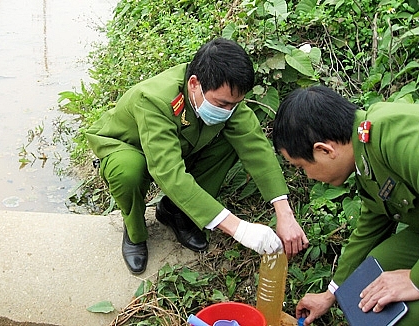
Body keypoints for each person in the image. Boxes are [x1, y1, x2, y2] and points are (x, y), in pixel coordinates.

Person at [86, 38, 308, 275]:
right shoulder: (154, 100)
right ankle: (135, 232)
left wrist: (284, 212)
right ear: (194, 83)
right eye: (222, 103)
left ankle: (176, 212)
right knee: (128, 170)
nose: (228, 111)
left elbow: (255, 145)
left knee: (231, 143)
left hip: (177, 147)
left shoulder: (225, 95)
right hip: (129, 147)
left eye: (234, 105)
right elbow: (168, 172)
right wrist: (238, 228)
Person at [272, 85, 419, 325]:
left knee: (400, 318)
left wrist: (414, 280)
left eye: (302, 167)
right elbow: (372, 223)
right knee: (366, 280)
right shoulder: (365, 153)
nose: (308, 177)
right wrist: (332, 293)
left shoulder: (395, 135)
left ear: (324, 150)